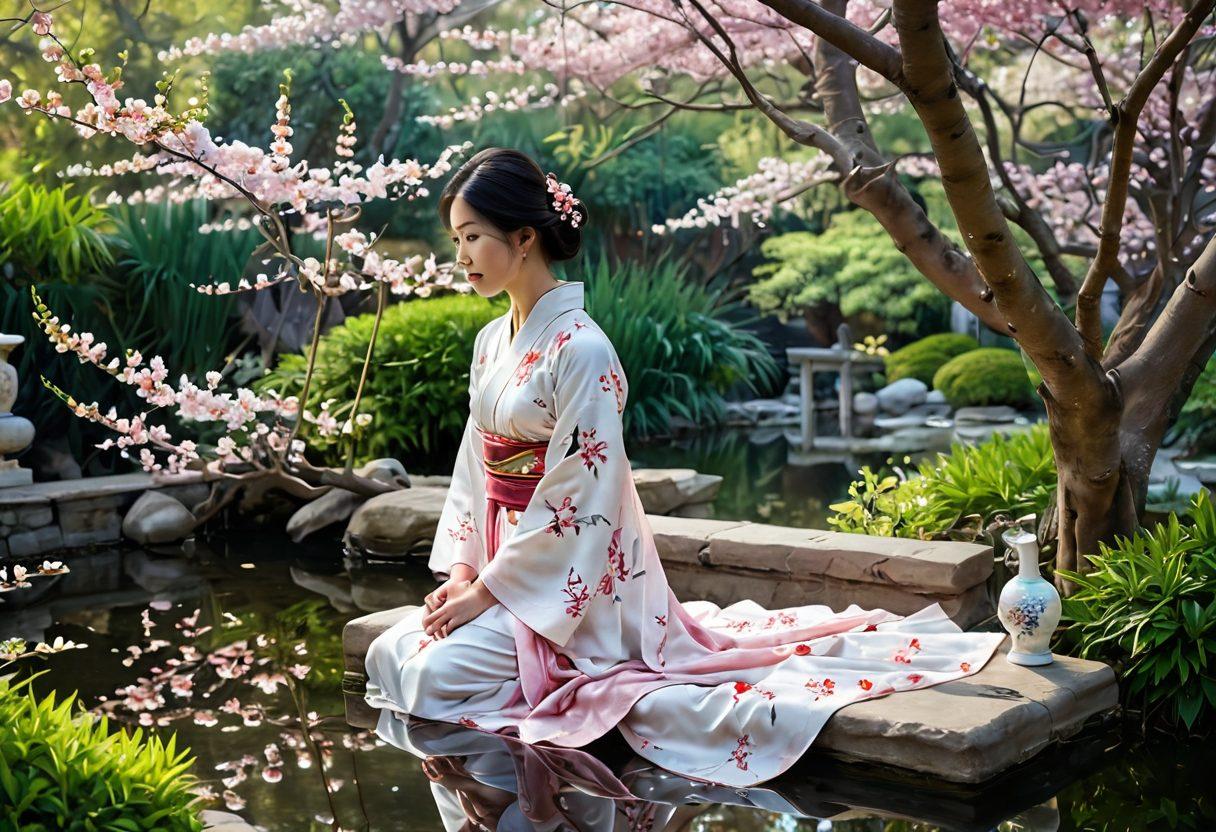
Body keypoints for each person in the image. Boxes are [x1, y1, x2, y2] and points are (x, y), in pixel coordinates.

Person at [364, 147, 1006, 788]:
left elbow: (583, 500)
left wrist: (486, 595)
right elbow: (475, 469)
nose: (461, 256)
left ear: (525, 237)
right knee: (388, 652)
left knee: (427, 676)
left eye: (472, 237)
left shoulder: (583, 350)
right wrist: (464, 570)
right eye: (457, 239)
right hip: (504, 565)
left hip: (570, 587)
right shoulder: (490, 342)